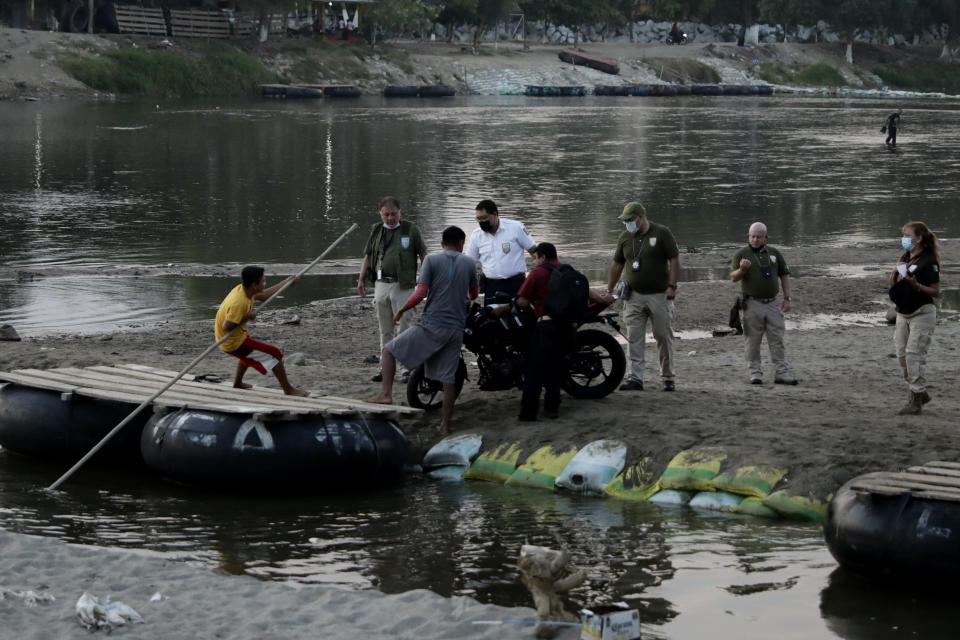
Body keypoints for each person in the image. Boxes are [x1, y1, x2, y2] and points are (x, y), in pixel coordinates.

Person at [370, 226, 479, 434]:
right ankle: (445, 426)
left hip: (432, 324)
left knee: (389, 350)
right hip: (456, 328)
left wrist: (402, 309)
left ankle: (386, 394)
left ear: (441, 244)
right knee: (448, 379)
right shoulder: (469, 263)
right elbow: (474, 294)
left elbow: (421, 292)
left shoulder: (431, 260)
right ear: (461, 244)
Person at [495, 242, 613, 421]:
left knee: (535, 370)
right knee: (556, 369)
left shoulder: (538, 273)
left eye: (534, 258)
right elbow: (588, 293)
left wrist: (517, 302)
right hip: (568, 329)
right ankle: (551, 409)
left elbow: (523, 302)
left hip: (546, 327)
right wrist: (605, 299)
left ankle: (528, 413)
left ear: (542, 257)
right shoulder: (567, 271)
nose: (533, 263)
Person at [606, 201, 679, 392]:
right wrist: (609, 289)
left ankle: (668, 377)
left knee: (663, 336)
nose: (627, 224)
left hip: (660, 296)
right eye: (625, 221)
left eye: (630, 220)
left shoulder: (662, 232)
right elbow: (617, 264)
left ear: (641, 217)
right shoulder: (624, 237)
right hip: (634, 296)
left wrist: (672, 286)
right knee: (634, 338)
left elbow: (674, 259)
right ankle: (635, 378)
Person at [357, 196, 428, 383]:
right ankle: (385, 369)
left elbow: (423, 255)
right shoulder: (376, 230)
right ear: (380, 214)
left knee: (404, 327)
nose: (390, 218)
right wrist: (361, 279)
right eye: (386, 215)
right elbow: (368, 256)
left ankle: (406, 369)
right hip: (381, 284)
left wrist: (426, 279)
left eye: (393, 214)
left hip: (403, 285)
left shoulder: (410, 229)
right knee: (385, 329)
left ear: (400, 212)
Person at [215, 266, 308, 397]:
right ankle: (288, 390)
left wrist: (287, 282)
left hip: (237, 336)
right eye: (263, 281)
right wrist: (247, 317)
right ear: (254, 284)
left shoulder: (245, 290)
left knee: (250, 352)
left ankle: (238, 383)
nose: (264, 284)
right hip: (232, 343)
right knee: (274, 354)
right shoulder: (239, 302)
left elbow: (264, 295)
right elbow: (227, 326)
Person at [730, 222, 797, 386]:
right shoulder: (741, 254)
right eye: (752, 236)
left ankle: (781, 372)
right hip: (751, 304)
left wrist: (787, 298)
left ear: (766, 237)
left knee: (777, 338)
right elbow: (733, 278)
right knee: (752, 340)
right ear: (748, 236)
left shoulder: (774, 253)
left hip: (773, 303)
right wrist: (742, 270)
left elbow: (784, 275)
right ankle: (755, 373)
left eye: (759, 237)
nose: (755, 239)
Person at [888, 221, 940, 415]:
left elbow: (935, 291)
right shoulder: (905, 256)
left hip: (922, 312)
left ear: (918, 239)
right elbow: (893, 283)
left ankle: (915, 398)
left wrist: (916, 285)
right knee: (902, 355)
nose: (904, 239)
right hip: (902, 312)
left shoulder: (929, 261)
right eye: (903, 235)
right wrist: (895, 271)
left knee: (913, 354)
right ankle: (920, 392)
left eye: (907, 235)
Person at [465, 199, 536, 304]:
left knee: (519, 317)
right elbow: (468, 263)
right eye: (478, 219)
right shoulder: (476, 235)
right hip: (491, 286)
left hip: (516, 283)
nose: (482, 222)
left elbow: (534, 251)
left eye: (484, 218)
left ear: (495, 214)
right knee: (491, 318)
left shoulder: (516, 227)